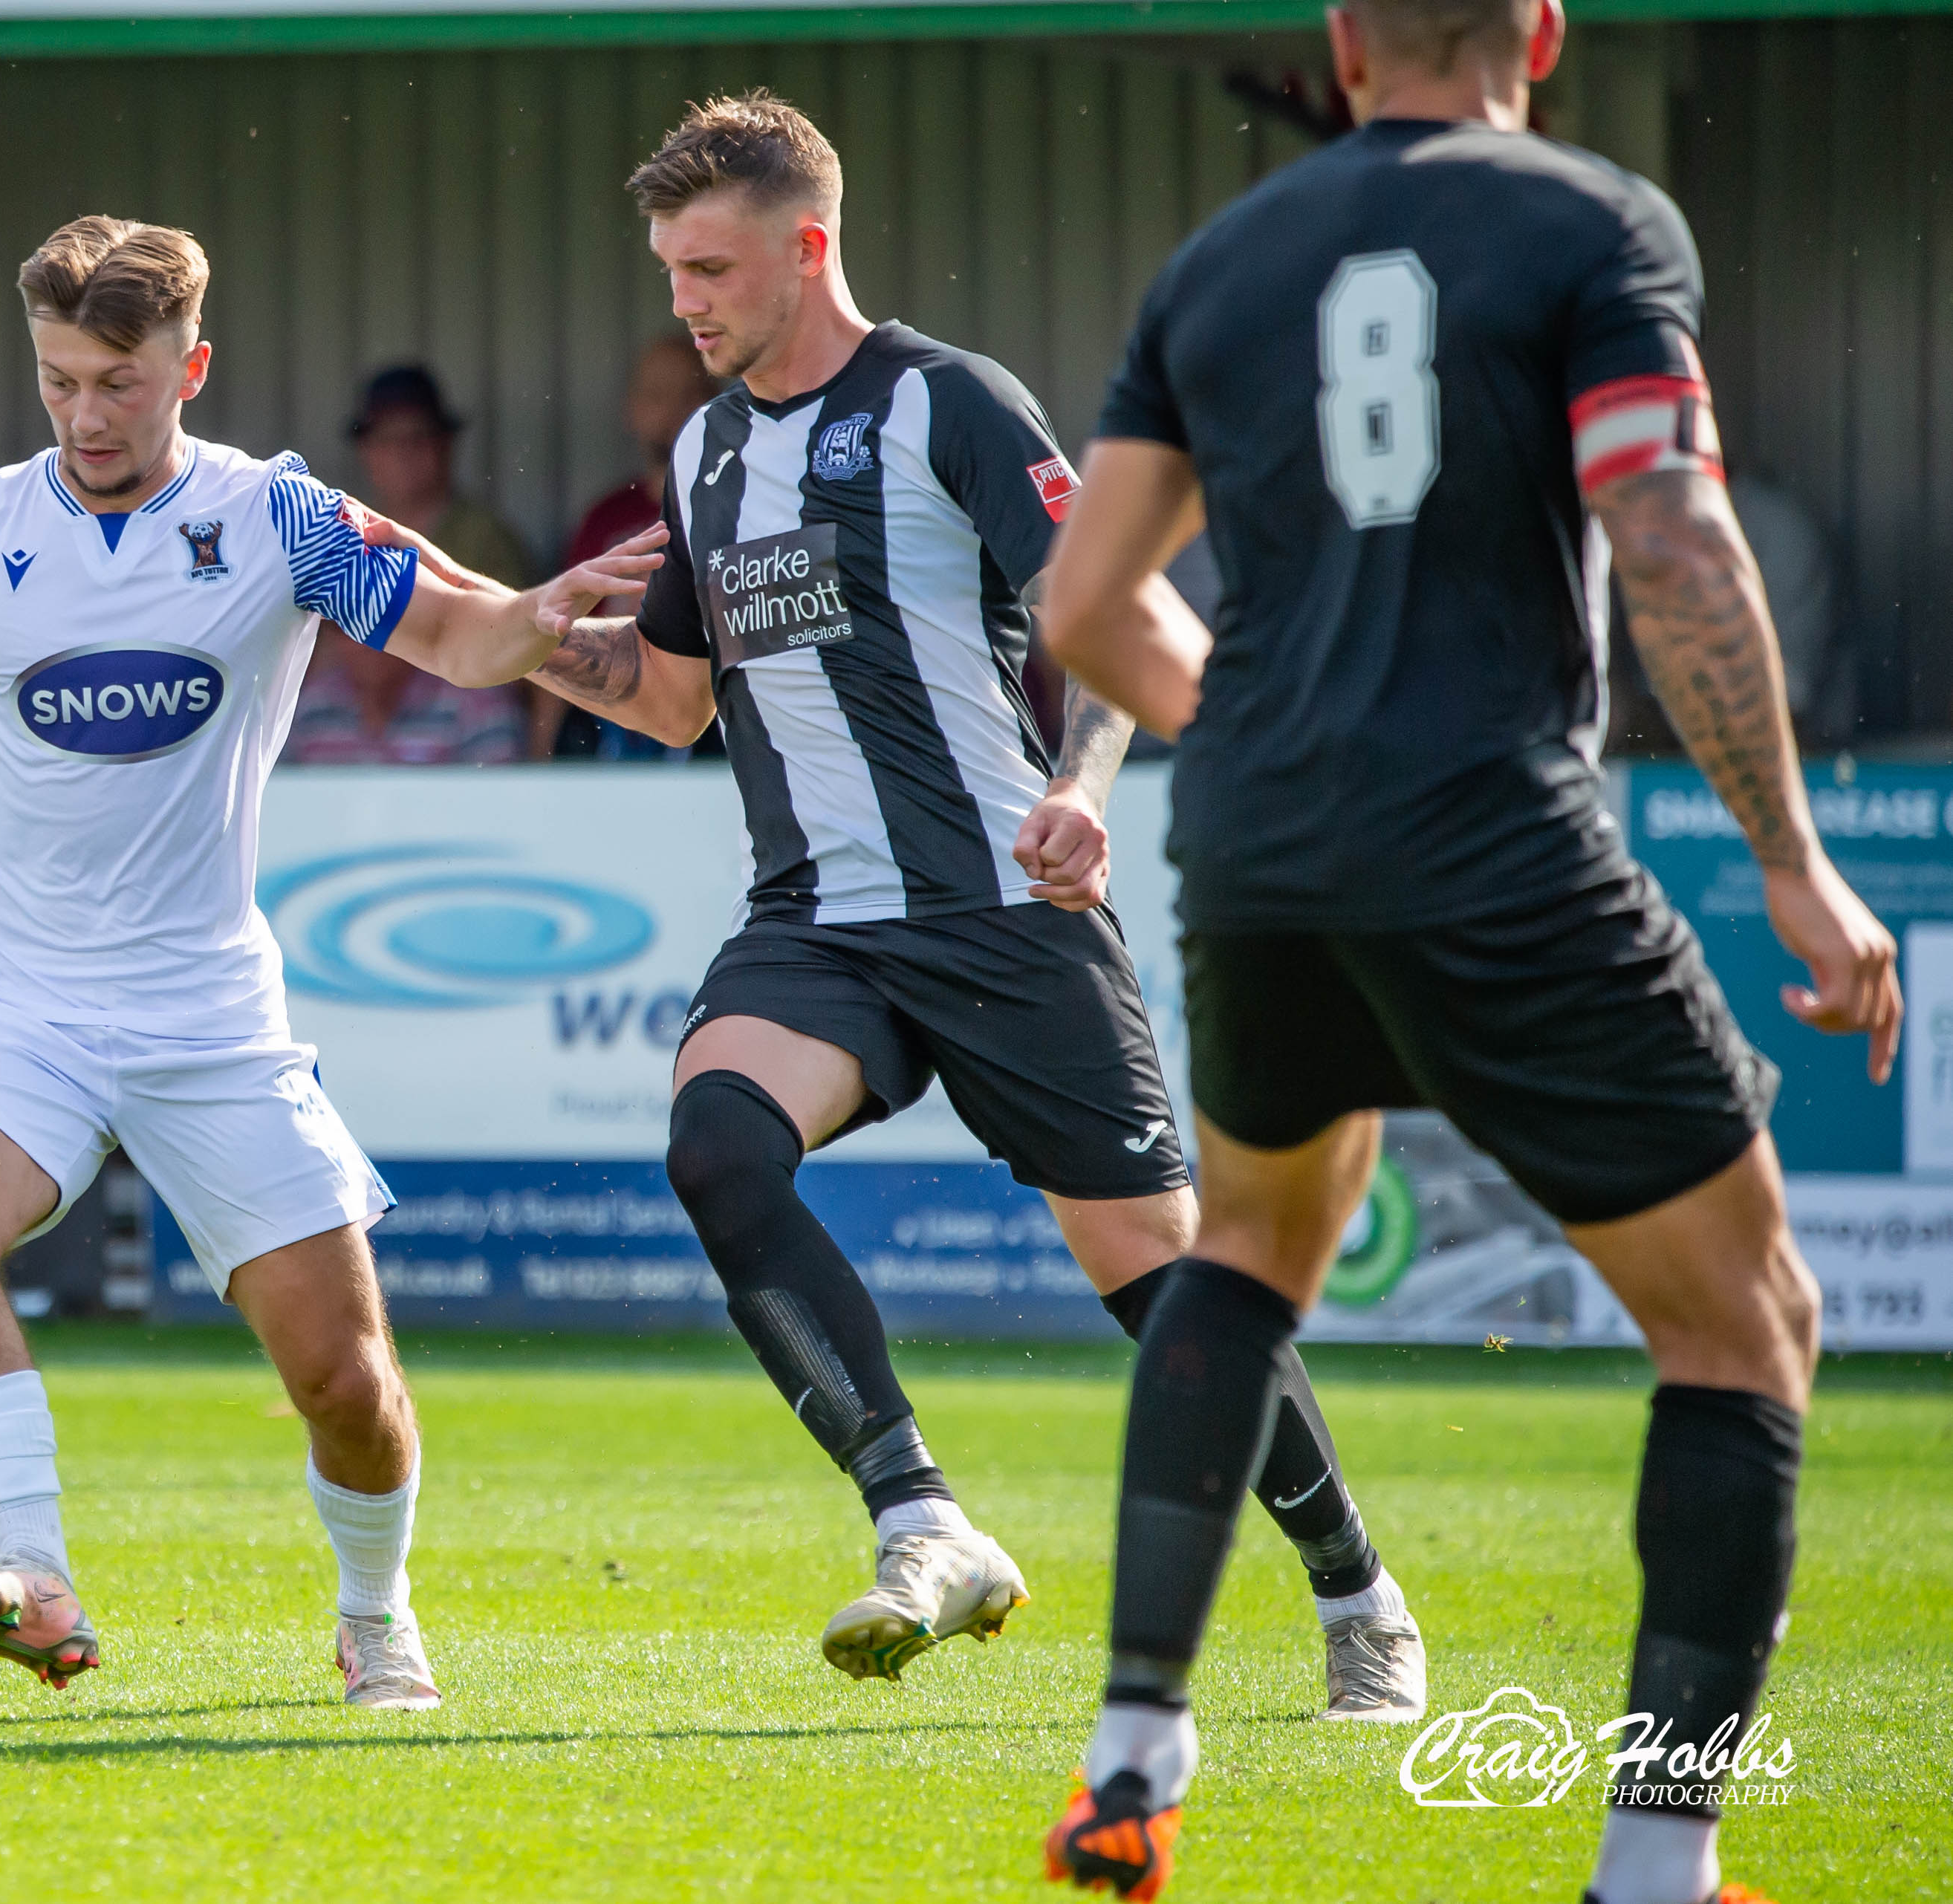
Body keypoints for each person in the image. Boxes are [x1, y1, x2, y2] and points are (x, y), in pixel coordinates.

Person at [1037, 1, 1897, 1896]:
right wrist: (1795, 861)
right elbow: (1669, 540)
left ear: (1344, 43)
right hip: (1493, 835)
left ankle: (1131, 1758)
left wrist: (1264, 741)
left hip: (1259, 844)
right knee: (1746, 1324)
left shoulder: (1217, 261)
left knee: (1249, 1253)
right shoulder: (1592, 224)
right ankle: (1657, 1864)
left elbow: (1088, 601)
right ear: (1541, 30)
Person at [0, 217, 657, 1710]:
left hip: (206, 1016)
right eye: (57, 379)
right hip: (15, 996)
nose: (83, 414)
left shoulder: (279, 519)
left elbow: (450, 633)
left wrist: (524, 619)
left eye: (117, 382)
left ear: (188, 367)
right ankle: (33, 1570)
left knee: (347, 1387)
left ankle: (372, 1609)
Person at [521, 91, 1422, 1718]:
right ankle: (921, 1518)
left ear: (805, 248)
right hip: (813, 919)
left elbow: (1106, 613)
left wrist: (1080, 788)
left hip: (1000, 907)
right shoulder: (705, 450)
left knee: (1159, 1279)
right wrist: (511, 635)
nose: (685, 304)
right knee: (714, 1145)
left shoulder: (947, 405)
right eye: (667, 272)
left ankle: (1354, 1587)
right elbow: (666, 700)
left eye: (709, 268)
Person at [282, 365, 533, 764]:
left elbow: (518, 659)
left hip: (457, 732)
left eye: (417, 438)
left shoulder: (485, 540)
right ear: (366, 452)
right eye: (387, 440)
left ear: (445, 445)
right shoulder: (347, 529)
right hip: (350, 736)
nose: (404, 453)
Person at [548, 336, 722, 760]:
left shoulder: (741, 506)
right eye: (657, 395)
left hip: (716, 714)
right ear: (633, 409)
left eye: (691, 394)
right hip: (614, 722)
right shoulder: (606, 520)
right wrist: (543, 758)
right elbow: (557, 633)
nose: (674, 411)